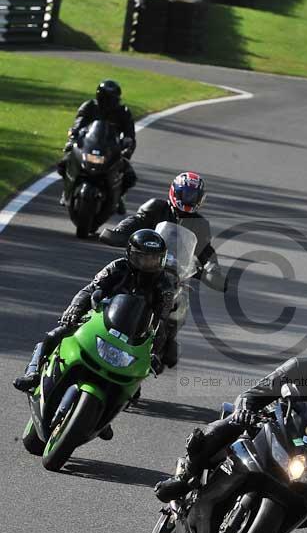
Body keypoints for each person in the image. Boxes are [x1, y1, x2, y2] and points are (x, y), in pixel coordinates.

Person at [154, 329, 307, 527]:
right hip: (273, 424)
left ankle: (272, 528)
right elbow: (253, 394)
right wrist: (245, 411)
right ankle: (184, 477)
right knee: (226, 427)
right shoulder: (300, 367)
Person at [13, 231, 175, 433]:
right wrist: (73, 309)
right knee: (56, 333)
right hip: (99, 318)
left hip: (134, 335)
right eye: (143, 257)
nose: (148, 263)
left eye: (153, 259)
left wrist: (154, 351)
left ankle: (102, 416)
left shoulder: (165, 284)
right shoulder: (118, 267)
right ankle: (33, 373)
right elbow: (91, 289)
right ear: (131, 254)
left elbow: (162, 319)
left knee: (134, 386)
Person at [100, 172, 226, 291]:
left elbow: (205, 250)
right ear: (175, 192)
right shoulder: (156, 207)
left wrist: (213, 269)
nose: (189, 199)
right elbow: (135, 221)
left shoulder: (200, 223)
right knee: (110, 277)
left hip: (175, 271)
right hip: (145, 261)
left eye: (193, 196)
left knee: (181, 299)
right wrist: (120, 232)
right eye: (186, 194)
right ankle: (84, 306)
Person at [57, 80, 137, 212]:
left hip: (110, 151)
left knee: (130, 176)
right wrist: (73, 136)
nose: (108, 102)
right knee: (63, 163)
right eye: (106, 98)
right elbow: (79, 123)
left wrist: (128, 146)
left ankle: (120, 198)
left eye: (111, 99)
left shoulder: (123, 112)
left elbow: (130, 134)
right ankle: (67, 190)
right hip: (88, 147)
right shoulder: (89, 106)